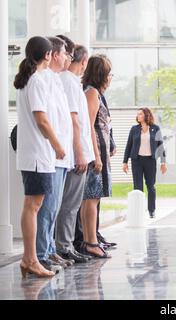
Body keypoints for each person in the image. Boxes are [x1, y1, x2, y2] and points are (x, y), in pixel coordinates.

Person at [14, 36, 62, 278]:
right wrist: (58, 146)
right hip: (37, 155)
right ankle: (30, 259)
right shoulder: (36, 81)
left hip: (34, 154)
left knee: (33, 205)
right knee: (33, 206)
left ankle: (29, 258)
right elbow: (41, 119)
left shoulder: (30, 80)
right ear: (47, 55)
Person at [36, 36, 75, 271]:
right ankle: (42, 253)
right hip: (52, 154)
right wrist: (58, 146)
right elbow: (46, 119)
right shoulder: (43, 80)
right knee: (48, 207)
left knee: (55, 206)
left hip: (62, 155)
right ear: (53, 55)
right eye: (63, 53)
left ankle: (49, 250)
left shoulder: (57, 80)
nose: (66, 57)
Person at [55, 44, 94, 263]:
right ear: (84, 61)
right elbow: (74, 121)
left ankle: (65, 245)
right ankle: (64, 246)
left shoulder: (71, 82)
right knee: (69, 204)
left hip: (77, 151)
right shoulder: (69, 82)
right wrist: (80, 153)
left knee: (70, 204)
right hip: (76, 153)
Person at [79, 54, 113, 258]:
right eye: (109, 74)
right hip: (95, 154)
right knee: (91, 198)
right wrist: (96, 156)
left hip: (99, 152)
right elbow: (89, 126)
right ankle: (90, 242)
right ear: (102, 74)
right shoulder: (91, 94)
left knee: (91, 198)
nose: (110, 78)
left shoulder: (94, 93)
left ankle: (90, 240)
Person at [123, 107, 167, 218]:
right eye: (137, 114)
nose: (138, 116)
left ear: (146, 115)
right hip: (136, 160)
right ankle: (138, 211)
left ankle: (151, 210)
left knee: (151, 186)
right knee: (138, 187)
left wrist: (163, 162)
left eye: (140, 114)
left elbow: (160, 146)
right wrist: (125, 162)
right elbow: (129, 145)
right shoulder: (134, 129)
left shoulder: (155, 128)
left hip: (150, 161)